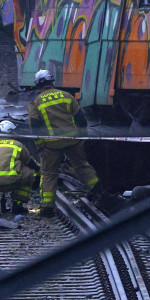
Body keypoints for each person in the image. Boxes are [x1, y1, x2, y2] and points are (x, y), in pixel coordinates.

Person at [28, 69, 106, 217]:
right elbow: (81, 118)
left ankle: (47, 208)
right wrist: (83, 136)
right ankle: (99, 193)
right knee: (82, 166)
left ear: (38, 85)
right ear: (52, 81)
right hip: (72, 141)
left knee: (49, 174)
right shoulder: (66, 96)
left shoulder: (36, 102)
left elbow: (34, 126)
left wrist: (39, 145)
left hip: (51, 145)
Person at [0, 120, 39, 220]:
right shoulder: (17, 145)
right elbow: (29, 162)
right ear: (11, 132)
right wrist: (40, 169)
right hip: (11, 181)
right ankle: (17, 203)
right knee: (29, 173)